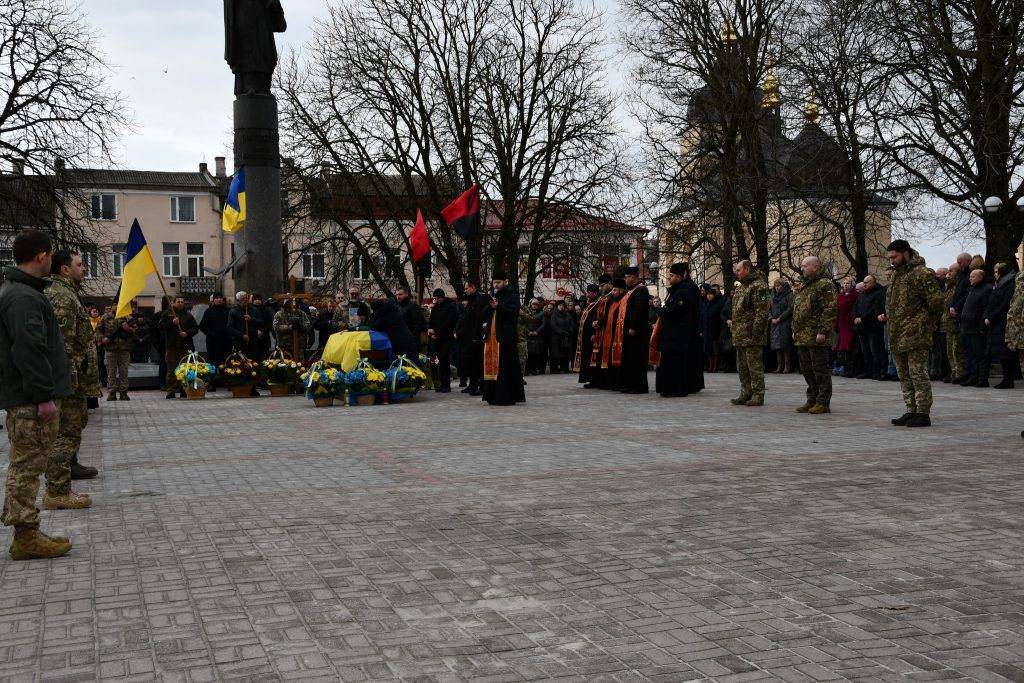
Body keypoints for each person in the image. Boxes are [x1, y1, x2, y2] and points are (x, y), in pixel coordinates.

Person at [0, 230, 76, 560]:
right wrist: (44, 396)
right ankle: (25, 536)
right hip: (30, 399)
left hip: (27, 395)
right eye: (49, 255)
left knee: (26, 465)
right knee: (27, 467)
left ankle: (27, 531)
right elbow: (29, 350)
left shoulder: (20, 292)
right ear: (42, 257)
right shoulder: (23, 297)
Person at [43, 249, 100, 502]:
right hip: (69, 379)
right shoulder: (61, 296)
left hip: (74, 377)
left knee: (72, 430)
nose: (84, 268)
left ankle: (63, 480)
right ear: (65, 270)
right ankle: (57, 491)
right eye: (80, 264)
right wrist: (73, 378)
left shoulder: (68, 293)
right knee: (65, 434)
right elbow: (62, 345)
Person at [884, 240, 944, 427]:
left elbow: (936, 302)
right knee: (904, 375)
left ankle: (923, 412)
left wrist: (927, 323)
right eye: (890, 257)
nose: (892, 261)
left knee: (918, 374)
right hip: (897, 334)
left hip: (916, 334)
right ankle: (911, 410)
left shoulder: (922, 274)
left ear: (906, 253)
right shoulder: (896, 275)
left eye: (895, 256)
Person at [792, 256, 838, 414]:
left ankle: (823, 402)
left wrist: (823, 331)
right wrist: (795, 330)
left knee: (820, 369)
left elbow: (830, 309)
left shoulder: (825, 284)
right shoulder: (805, 285)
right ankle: (811, 399)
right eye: (802, 266)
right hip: (803, 336)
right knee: (807, 369)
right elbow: (798, 311)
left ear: (816, 267)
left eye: (806, 266)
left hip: (817, 335)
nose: (802, 268)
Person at [653, 263, 703, 397]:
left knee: (675, 363)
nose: (669, 277)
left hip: (677, 334)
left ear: (680, 277)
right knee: (668, 362)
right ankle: (668, 388)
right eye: (669, 275)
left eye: (672, 275)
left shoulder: (683, 292)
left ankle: (676, 389)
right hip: (670, 334)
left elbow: (676, 310)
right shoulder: (674, 291)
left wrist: (660, 311)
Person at [480, 273, 525, 406]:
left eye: (498, 282)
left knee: (505, 368)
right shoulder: (495, 296)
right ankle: (492, 396)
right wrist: (490, 306)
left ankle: (506, 396)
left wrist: (498, 307)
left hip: (505, 338)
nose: (496, 285)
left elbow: (513, 314)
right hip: (492, 339)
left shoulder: (513, 296)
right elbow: (484, 315)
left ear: (505, 282)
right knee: (492, 368)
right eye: (494, 283)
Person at [729, 260, 770, 406]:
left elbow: (762, 312)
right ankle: (745, 392)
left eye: (739, 270)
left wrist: (756, 332)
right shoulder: (742, 286)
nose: (736, 272)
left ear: (747, 269)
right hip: (740, 334)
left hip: (752, 334)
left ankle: (758, 394)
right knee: (742, 366)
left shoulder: (758, 286)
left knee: (754, 366)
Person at [610, 266, 651, 394]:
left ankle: (639, 386)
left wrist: (633, 327)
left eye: (627, 277)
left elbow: (639, 311)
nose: (625, 279)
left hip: (637, 332)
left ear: (633, 277)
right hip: (628, 331)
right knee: (629, 359)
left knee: (637, 359)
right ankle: (629, 384)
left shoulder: (641, 290)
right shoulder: (631, 290)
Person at [98, 299, 145, 400]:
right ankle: (112, 392)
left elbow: (137, 333)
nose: (117, 307)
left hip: (124, 349)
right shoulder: (105, 318)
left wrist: (129, 329)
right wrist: (102, 339)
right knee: (111, 371)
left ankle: (124, 392)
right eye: (115, 305)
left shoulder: (128, 318)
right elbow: (98, 331)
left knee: (124, 371)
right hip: (110, 349)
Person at [159, 296, 199, 399]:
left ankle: (184, 389)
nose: (180, 303)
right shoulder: (167, 313)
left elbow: (195, 328)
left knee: (184, 369)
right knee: (171, 370)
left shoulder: (188, 315)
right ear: (173, 303)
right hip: (171, 347)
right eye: (178, 302)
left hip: (185, 346)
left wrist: (187, 333)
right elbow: (160, 326)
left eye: (182, 302)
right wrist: (172, 323)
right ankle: (170, 390)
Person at [985, 262, 1017, 389]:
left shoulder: (1008, 285)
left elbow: (1005, 304)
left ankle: (1008, 379)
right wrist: (988, 315)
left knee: (1006, 352)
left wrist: (991, 317)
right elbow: (991, 302)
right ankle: (1006, 379)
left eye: (996, 272)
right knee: (1001, 352)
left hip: (1003, 322)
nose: (994, 275)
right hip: (996, 322)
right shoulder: (998, 285)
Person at [959, 268, 991, 387]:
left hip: (977, 328)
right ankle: (973, 376)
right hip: (967, 327)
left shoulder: (986, 289)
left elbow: (986, 308)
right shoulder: (972, 289)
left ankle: (982, 379)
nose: (970, 278)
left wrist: (982, 326)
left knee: (980, 354)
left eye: (973, 276)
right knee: (971, 355)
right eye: (970, 276)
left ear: (980, 277)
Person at [455, 281, 487, 395]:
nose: (465, 290)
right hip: (467, 336)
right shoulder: (471, 301)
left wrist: (476, 336)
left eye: (467, 288)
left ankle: (481, 386)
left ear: (473, 287)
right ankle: (472, 384)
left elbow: (478, 319)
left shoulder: (479, 300)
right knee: (470, 363)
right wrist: (458, 331)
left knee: (478, 363)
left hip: (475, 337)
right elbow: (465, 318)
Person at [852, 275, 886, 380]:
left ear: (873, 283)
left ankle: (877, 371)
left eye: (867, 282)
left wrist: (862, 318)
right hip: (862, 328)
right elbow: (855, 307)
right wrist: (855, 316)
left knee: (874, 350)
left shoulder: (879, 293)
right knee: (865, 351)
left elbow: (874, 309)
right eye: (864, 282)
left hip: (873, 327)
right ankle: (868, 371)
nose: (864, 284)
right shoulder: (862, 295)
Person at [198, 293, 232, 390]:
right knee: (213, 363)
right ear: (213, 300)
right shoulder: (208, 311)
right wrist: (211, 334)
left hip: (226, 342)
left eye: (220, 298)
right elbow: (202, 326)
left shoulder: (228, 311)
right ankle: (211, 383)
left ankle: (228, 382)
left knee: (226, 363)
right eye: (217, 298)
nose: (219, 300)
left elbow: (232, 325)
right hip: (213, 342)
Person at [427, 289, 458, 392]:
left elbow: (449, 323)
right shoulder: (435, 308)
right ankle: (441, 384)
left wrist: (437, 334)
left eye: (437, 298)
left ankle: (446, 384)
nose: (436, 300)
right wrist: (430, 330)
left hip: (446, 337)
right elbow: (431, 321)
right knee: (439, 361)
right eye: (434, 298)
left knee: (445, 360)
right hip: (437, 338)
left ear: (442, 297)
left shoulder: (450, 306)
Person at [574, 284, 602, 384]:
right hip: (585, 336)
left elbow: (596, 318)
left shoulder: (598, 303)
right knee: (586, 357)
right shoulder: (590, 303)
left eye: (589, 293)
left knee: (590, 358)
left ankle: (592, 379)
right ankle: (587, 378)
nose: (587, 294)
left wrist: (594, 333)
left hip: (591, 336)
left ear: (595, 293)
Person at [941, 265, 965, 382]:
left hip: (955, 322)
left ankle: (959, 372)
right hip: (947, 323)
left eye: (951, 271)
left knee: (957, 350)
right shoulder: (948, 287)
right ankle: (954, 371)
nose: (948, 274)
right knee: (949, 350)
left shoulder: (958, 284)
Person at [769, 277, 794, 373]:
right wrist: (771, 318)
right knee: (776, 346)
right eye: (775, 286)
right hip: (774, 323)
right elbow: (768, 308)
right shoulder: (772, 296)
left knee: (785, 345)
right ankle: (779, 366)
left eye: (779, 286)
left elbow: (790, 308)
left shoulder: (788, 294)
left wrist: (780, 318)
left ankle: (787, 366)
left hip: (784, 322)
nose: (777, 288)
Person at [835, 277, 859, 377]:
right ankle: (845, 369)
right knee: (843, 348)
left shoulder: (855, 295)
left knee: (850, 347)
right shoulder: (840, 296)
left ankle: (851, 370)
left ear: (852, 284)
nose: (845, 285)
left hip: (850, 324)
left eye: (847, 283)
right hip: (842, 324)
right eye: (844, 283)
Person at [228, 291, 262, 359]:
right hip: (239, 342)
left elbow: (261, 322)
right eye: (243, 298)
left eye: (246, 298)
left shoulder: (253, 310)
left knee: (253, 363)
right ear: (238, 301)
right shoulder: (233, 311)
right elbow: (230, 327)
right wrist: (242, 335)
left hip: (253, 341)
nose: (245, 300)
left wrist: (251, 319)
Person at [396, 287, 427, 353]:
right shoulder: (398, 307)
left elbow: (418, 323)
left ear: (406, 294)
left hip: (411, 341)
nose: (398, 297)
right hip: (400, 340)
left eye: (400, 294)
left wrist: (412, 338)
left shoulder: (413, 306)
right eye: (397, 295)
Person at [702, 286, 725, 373]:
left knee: (715, 350)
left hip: (715, 330)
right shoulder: (705, 304)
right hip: (707, 330)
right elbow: (702, 317)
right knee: (708, 350)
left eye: (710, 294)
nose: (709, 296)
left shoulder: (718, 304)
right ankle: (710, 366)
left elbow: (720, 317)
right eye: (708, 294)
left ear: (714, 295)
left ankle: (715, 367)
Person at [549, 301, 574, 373]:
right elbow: (553, 326)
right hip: (557, 337)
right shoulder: (554, 315)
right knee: (556, 354)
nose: (561, 306)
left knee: (565, 353)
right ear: (557, 306)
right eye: (559, 305)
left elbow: (572, 324)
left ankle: (565, 368)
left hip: (566, 337)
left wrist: (569, 331)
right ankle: (555, 369)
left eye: (562, 305)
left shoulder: (568, 315)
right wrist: (562, 332)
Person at [525, 299, 547, 375]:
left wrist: (537, 332)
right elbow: (524, 323)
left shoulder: (542, 313)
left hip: (537, 336)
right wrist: (528, 332)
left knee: (536, 353)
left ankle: (533, 369)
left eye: (536, 304)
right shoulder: (526, 313)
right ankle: (526, 370)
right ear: (530, 304)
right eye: (533, 304)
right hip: (528, 335)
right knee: (527, 353)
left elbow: (543, 324)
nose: (535, 305)